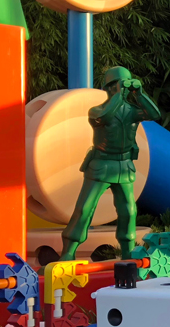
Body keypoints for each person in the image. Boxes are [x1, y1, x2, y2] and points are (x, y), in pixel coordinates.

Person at [60, 66, 162, 261]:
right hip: (101, 165)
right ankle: (68, 252)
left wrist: (139, 94)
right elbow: (105, 117)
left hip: (124, 166)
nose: (121, 87)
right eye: (116, 84)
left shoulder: (132, 112)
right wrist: (118, 95)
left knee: (128, 211)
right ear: (108, 88)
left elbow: (154, 114)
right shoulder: (97, 111)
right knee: (84, 208)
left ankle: (128, 253)